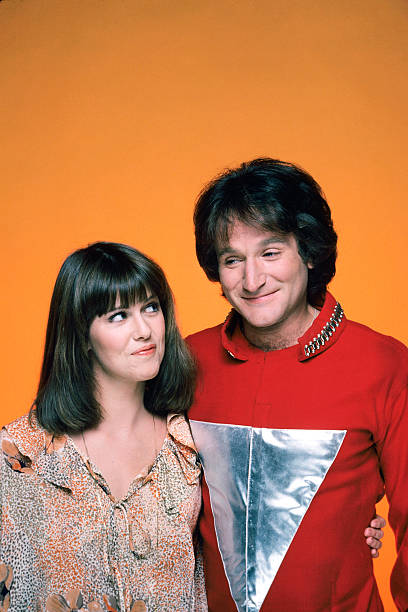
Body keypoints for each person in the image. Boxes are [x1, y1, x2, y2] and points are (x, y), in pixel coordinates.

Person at [187, 158, 407, 612]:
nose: (252, 280)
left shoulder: (383, 364)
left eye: (270, 253)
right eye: (233, 260)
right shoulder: (188, 361)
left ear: (308, 251)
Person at [0, 242, 207, 612]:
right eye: (118, 316)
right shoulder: (18, 456)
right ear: (82, 335)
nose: (144, 330)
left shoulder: (189, 445)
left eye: (151, 307)